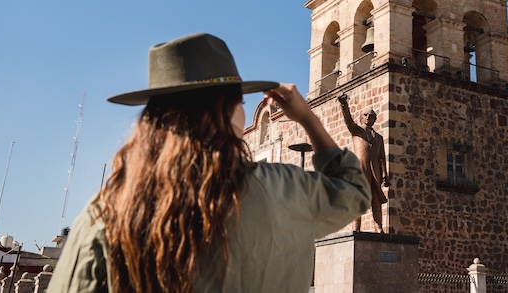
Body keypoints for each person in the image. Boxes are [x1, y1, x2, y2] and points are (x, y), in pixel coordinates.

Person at [50, 33, 369, 293]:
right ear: (228, 111)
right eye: (240, 103)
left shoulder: (107, 214)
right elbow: (354, 190)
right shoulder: (287, 190)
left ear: (153, 120)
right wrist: (309, 119)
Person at [337, 93, 389, 233]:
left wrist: (385, 174)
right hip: (361, 169)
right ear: (361, 117)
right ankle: (356, 227)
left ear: (374, 119)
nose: (368, 117)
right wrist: (344, 104)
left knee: (376, 200)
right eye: (365, 115)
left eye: (371, 116)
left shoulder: (378, 138)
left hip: (375, 171)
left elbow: (382, 157)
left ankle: (378, 226)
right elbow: (348, 119)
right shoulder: (356, 131)